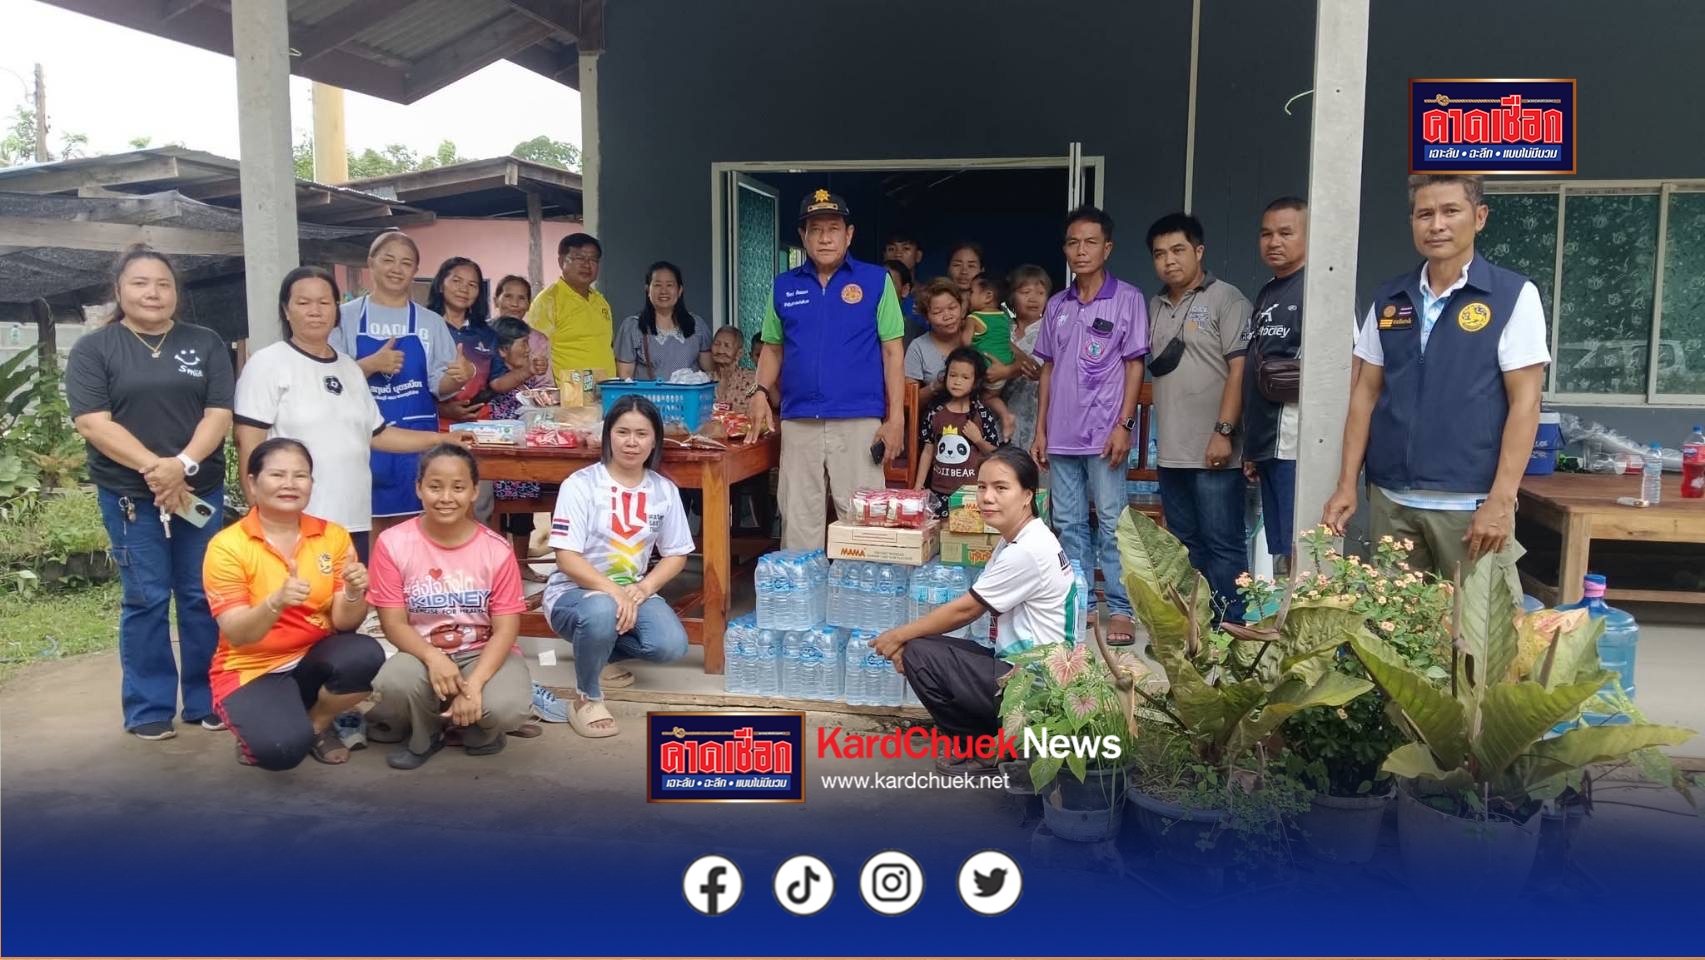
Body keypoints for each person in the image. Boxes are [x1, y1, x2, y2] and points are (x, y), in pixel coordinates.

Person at [1324, 174, 1548, 590]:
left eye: (1450, 211)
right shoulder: (1391, 299)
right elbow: (1365, 395)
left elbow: (1526, 403)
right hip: (1392, 502)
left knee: (1477, 640)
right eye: (1424, 214)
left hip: (1470, 506)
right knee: (1393, 636)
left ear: (1479, 217)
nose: (1437, 224)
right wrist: (1346, 485)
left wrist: (1501, 500)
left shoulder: (1512, 295)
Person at [66, 246, 235, 742]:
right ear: (119, 290)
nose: (153, 293)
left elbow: (218, 414)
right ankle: (148, 707)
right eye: (140, 283)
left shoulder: (205, 343)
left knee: (203, 595)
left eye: (163, 283)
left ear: (176, 292)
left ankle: (207, 700)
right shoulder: (95, 350)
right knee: (145, 599)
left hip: (197, 489)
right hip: (129, 497)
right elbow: (93, 423)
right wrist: (154, 471)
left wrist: (180, 467)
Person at [236, 267, 476, 564]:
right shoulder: (268, 364)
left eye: (324, 303)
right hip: (293, 521)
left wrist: (444, 439)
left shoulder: (349, 369)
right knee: (298, 606)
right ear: (286, 310)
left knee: (348, 606)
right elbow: (249, 445)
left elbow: (378, 434)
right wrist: (258, 519)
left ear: (336, 312)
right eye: (303, 302)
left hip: (353, 518)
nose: (315, 311)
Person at [873, 448, 1076, 774]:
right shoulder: (1017, 538)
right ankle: (997, 740)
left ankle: (985, 749)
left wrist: (897, 637)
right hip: (1018, 668)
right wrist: (906, 641)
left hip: (1035, 685)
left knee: (919, 655)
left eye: (1000, 488)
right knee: (921, 648)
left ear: (1027, 495)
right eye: (981, 487)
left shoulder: (1027, 550)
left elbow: (966, 610)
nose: (987, 497)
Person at [202, 439, 385, 769]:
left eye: (300, 475)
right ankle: (275, 728)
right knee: (281, 751)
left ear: (311, 484)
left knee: (364, 654)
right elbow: (238, 633)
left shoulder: (333, 536)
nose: (290, 484)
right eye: (277, 475)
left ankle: (315, 724)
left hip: (311, 657)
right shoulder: (227, 546)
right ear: (253, 483)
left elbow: (345, 623)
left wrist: (355, 591)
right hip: (252, 668)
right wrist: (276, 601)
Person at [745, 189, 905, 552]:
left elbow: (893, 352)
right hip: (799, 418)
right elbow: (773, 347)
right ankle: (802, 603)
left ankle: (864, 601)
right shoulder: (784, 286)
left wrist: (895, 419)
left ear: (849, 234)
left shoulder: (875, 281)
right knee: (799, 515)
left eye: (834, 228)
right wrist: (758, 392)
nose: (825, 237)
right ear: (803, 236)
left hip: (859, 417)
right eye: (815, 230)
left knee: (863, 517)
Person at [366, 445, 532, 770]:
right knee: (394, 683)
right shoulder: (393, 543)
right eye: (434, 486)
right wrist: (432, 657)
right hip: (421, 651)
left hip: (482, 651)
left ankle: (479, 732)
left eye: (458, 487)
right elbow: (394, 623)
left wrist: (475, 685)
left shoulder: (496, 550)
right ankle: (426, 735)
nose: (446, 497)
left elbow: (507, 628)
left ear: (473, 491)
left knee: (508, 707)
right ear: (418, 488)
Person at [1031, 205, 1147, 647]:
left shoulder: (1128, 299)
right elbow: (1047, 369)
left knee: (1115, 522)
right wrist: (1040, 429)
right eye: (1073, 243)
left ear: (1108, 248)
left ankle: (1120, 608)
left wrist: (1125, 424)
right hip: (1061, 435)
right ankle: (1081, 604)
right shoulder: (1057, 304)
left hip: (1104, 435)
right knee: (1068, 523)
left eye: (1090, 242)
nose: (1081, 251)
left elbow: (1135, 366)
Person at [543, 397, 693, 737]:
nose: (631, 441)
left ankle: (599, 652)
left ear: (655, 440)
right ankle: (586, 697)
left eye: (642, 433)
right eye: (622, 431)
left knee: (670, 645)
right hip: (574, 594)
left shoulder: (663, 490)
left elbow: (676, 555)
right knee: (600, 609)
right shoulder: (580, 485)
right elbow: (566, 558)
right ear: (608, 434)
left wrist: (641, 590)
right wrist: (613, 592)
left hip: (631, 591)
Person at [330, 231, 473, 539]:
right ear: (371, 263)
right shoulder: (344, 318)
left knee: (414, 530)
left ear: (415, 270)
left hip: (417, 443)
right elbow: (327, 382)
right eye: (388, 260)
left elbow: (440, 385)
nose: (397, 269)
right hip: (361, 442)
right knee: (364, 530)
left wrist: (457, 376)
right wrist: (370, 365)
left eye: (406, 263)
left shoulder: (430, 322)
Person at [1145, 212, 1252, 625]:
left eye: (1178, 250)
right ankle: (1198, 630)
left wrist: (1223, 432)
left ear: (1199, 251)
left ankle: (1231, 630)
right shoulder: (1155, 305)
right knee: (1186, 545)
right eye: (1159, 254)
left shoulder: (1227, 299)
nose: (1169, 261)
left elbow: (1239, 370)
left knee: (1223, 545)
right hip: (1171, 451)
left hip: (1214, 451)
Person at [1241, 198, 1309, 575]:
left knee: (1303, 544)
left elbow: (1346, 367)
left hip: (1298, 442)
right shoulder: (1269, 290)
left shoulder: (1319, 290)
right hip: (1268, 441)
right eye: (1266, 233)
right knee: (1283, 543)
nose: (1273, 242)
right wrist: (1253, 445)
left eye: (1285, 233)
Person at [484, 317, 550, 582]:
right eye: (522, 343)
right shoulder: (498, 377)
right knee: (501, 513)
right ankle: (501, 570)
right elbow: (500, 386)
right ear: (502, 350)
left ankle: (521, 565)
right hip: (504, 461)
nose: (527, 348)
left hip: (524, 461)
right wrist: (529, 371)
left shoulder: (526, 379)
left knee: (523, 516)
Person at [429, 257, 530, 429]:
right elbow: (410, 384)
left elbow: (496, 381)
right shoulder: (424, 327)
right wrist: (442, 409)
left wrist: (529, 370)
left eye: (472, 285)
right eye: (456, 281)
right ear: (440, 285)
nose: (464, 289)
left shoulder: (487, 334)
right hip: (433, 425)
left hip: (480, 427)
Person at [915, 348, 1003, 517]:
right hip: (939, 492)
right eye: (953, 375)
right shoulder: (935, 412)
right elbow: (927, 450)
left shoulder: (982, 413)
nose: (957, 381)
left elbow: (995, 454)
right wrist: (918, 486)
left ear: (976, 382)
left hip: (971, 495)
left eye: (965, 377)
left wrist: (978, 439)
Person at [526, 233, 616, 380]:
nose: (587, 265)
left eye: (593, 259)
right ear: (562, 261)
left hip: (604, 392)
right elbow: (536, 353)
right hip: (568, 396)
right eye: (580, 258)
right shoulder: (547, 301)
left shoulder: (601, 302)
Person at [615, 261, 712, 381]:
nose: (663, 291)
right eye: (657, 285)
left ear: (680, 290)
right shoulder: (633, 327)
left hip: (689, 398)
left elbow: (710, 371)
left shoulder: (697, 325)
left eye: (670, 285)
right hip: (648, 398)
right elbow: (625, 377)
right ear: (647, 290)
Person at [997, 265, 1050, 482]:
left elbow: (1037, 369)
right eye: (1025, 292)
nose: (1033, 298)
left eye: (1040, 292)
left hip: (1036, 414)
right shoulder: (1001, 326)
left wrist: (1006, 365)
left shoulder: (1050, 329)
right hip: (999, 414)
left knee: (1034, 481)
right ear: (1011, 297)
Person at [905, 278, 970, 408]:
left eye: (952, 307)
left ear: (961, 307)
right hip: (937, 424)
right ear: (926, 317)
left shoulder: (976, 332)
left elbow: (1018, 358)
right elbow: (907, 402)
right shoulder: (918, 347)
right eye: (937, 312)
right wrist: (935, 386)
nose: (947, 316)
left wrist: (1005, 371)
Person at [967, 272, 1017, 439]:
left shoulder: (974, 317)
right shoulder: (1004, 317)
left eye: (971, 292)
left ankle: (1005, 416)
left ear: (988, 296)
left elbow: (965, 343)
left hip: (988, 367)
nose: (968, 297)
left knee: (985, 397)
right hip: (1005, 365)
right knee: (991, 395)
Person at [493, 274, 555, 390]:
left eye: (521, 298)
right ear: (496, 301)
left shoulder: (538, 340)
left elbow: (545, 385)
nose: (514, 304)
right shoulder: (481, 333)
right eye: (508, 296)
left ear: (529, 305)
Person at [710, 325, 756, 407]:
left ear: (739, 353)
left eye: (727, 345)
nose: (720, 350)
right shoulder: (703, 380)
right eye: (717, 344)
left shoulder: (751, 380)